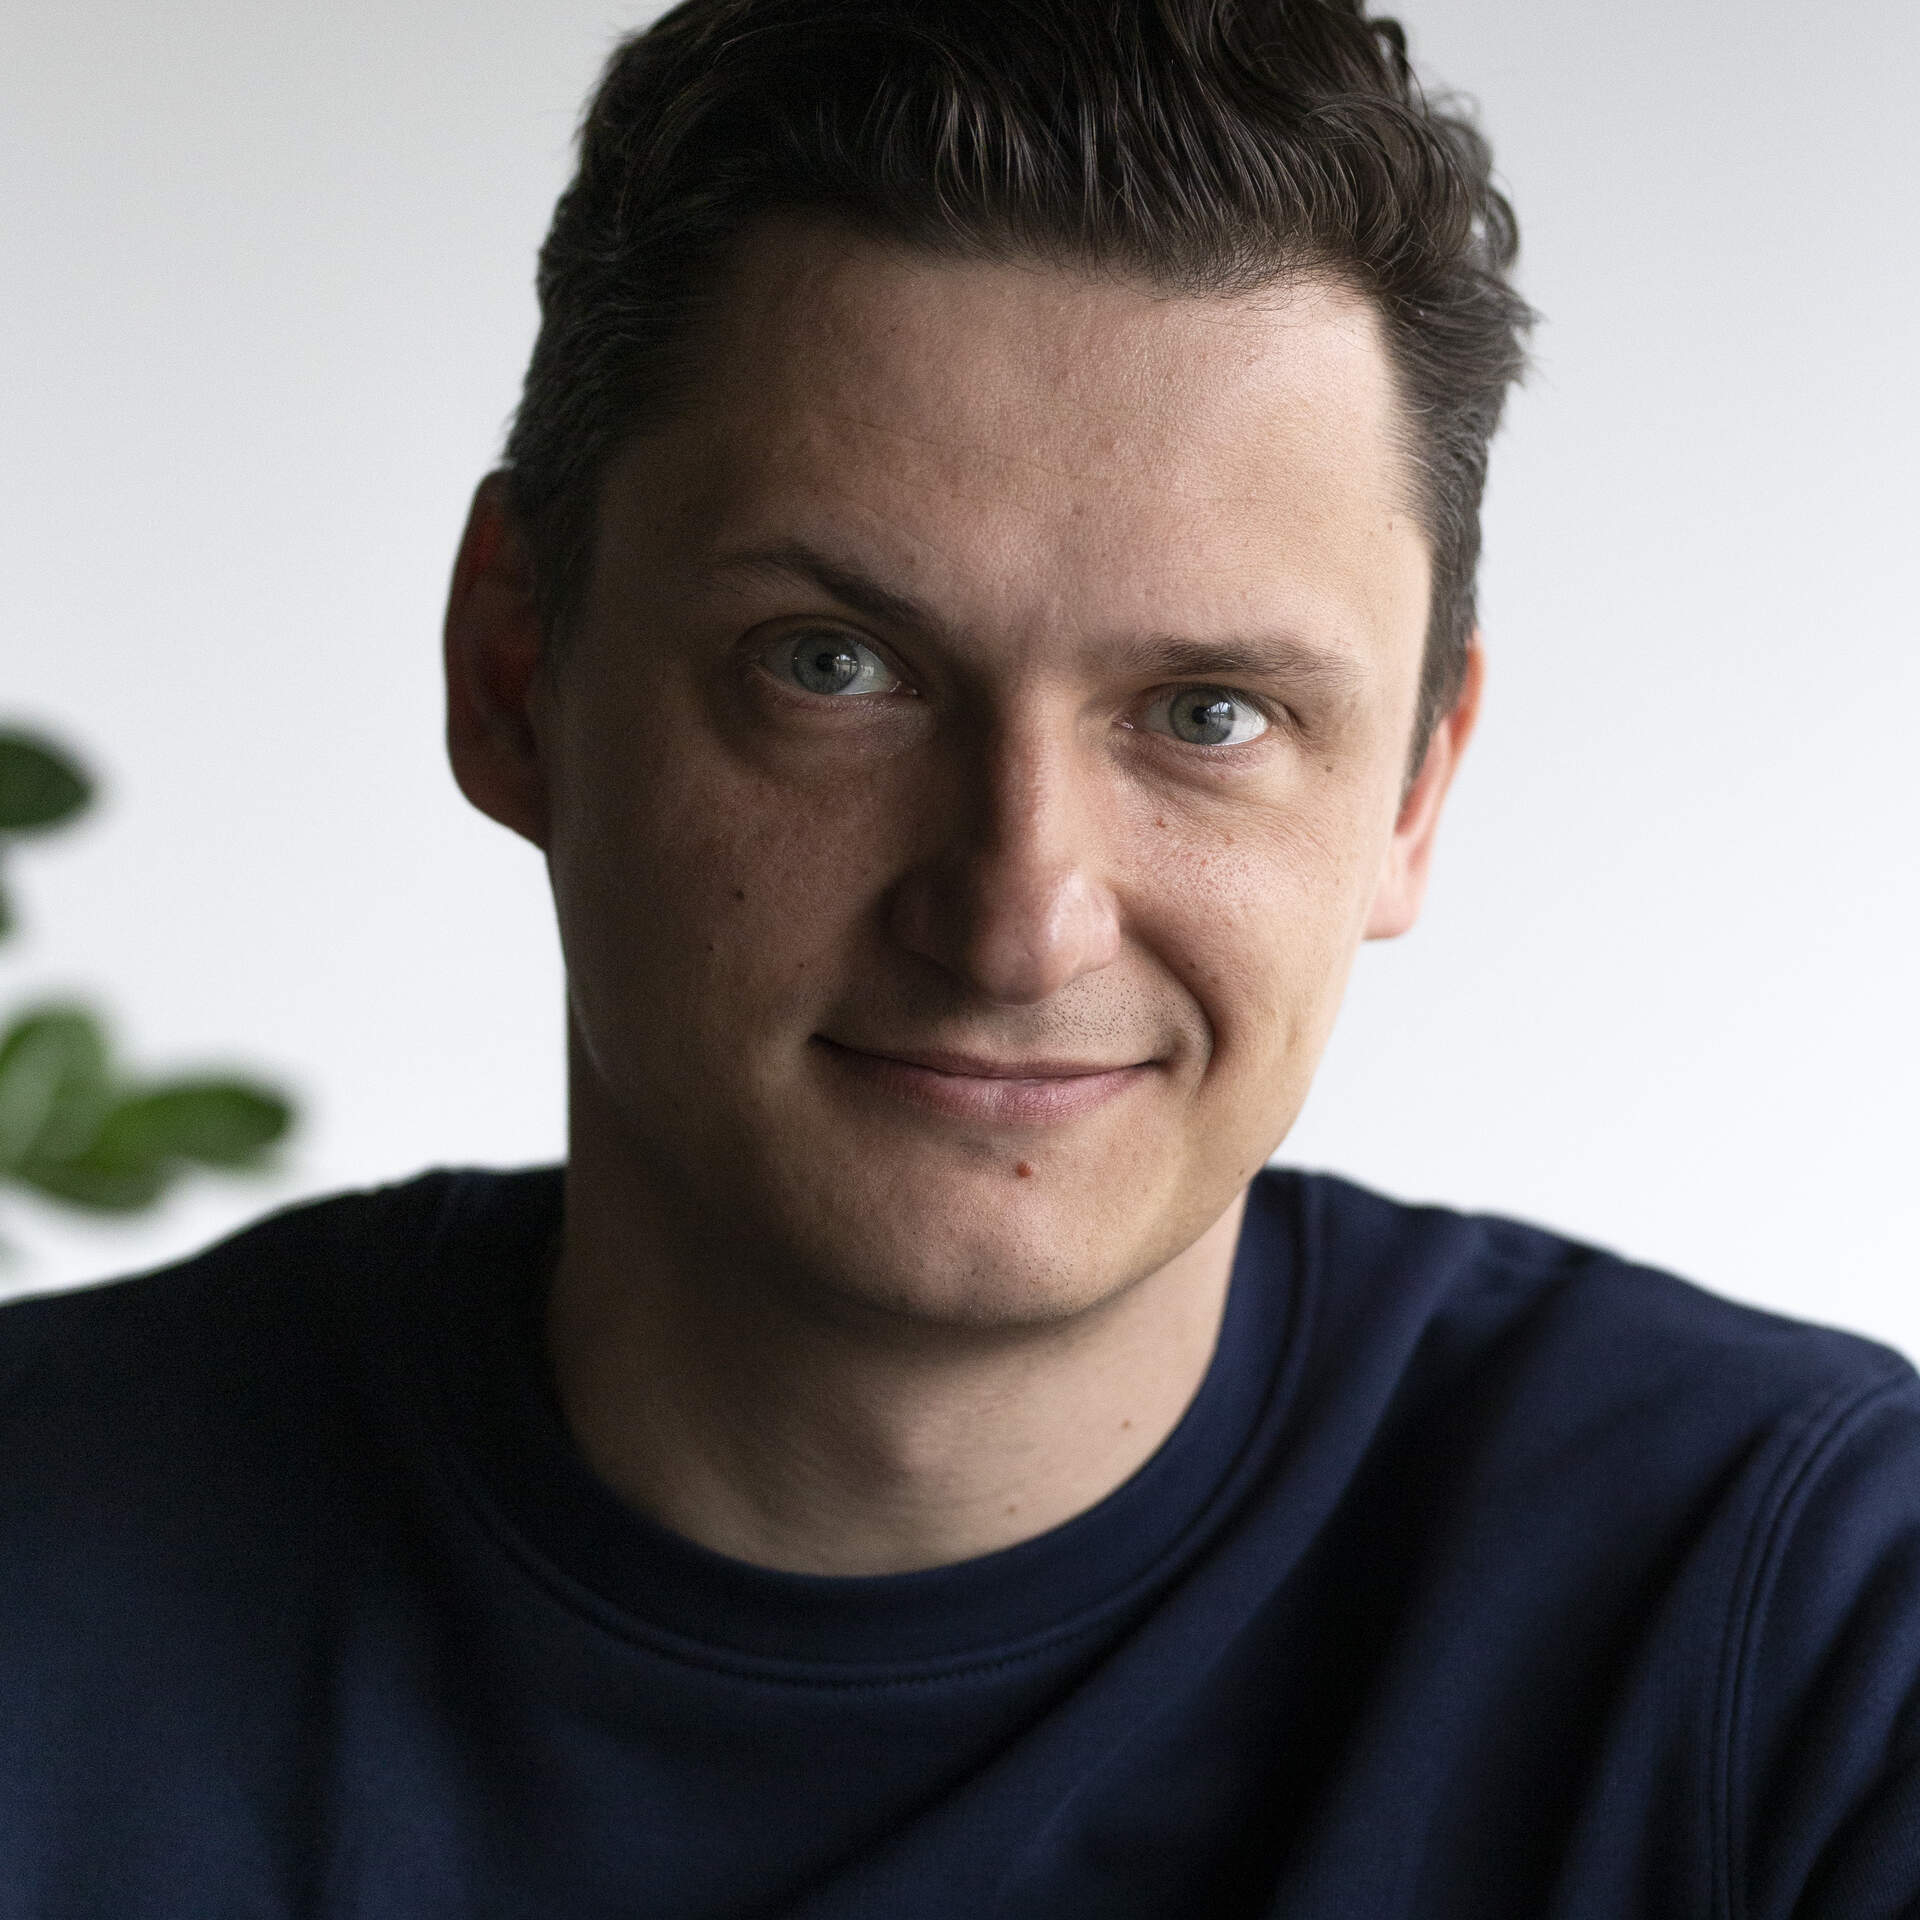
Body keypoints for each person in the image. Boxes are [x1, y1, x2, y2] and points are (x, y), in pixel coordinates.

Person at [2, 0, 1916, 1913]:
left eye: (1212, 713)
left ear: (1415, 789)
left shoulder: (1810, 1631)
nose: (1017, 921)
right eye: (833, 667)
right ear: (515, 678)